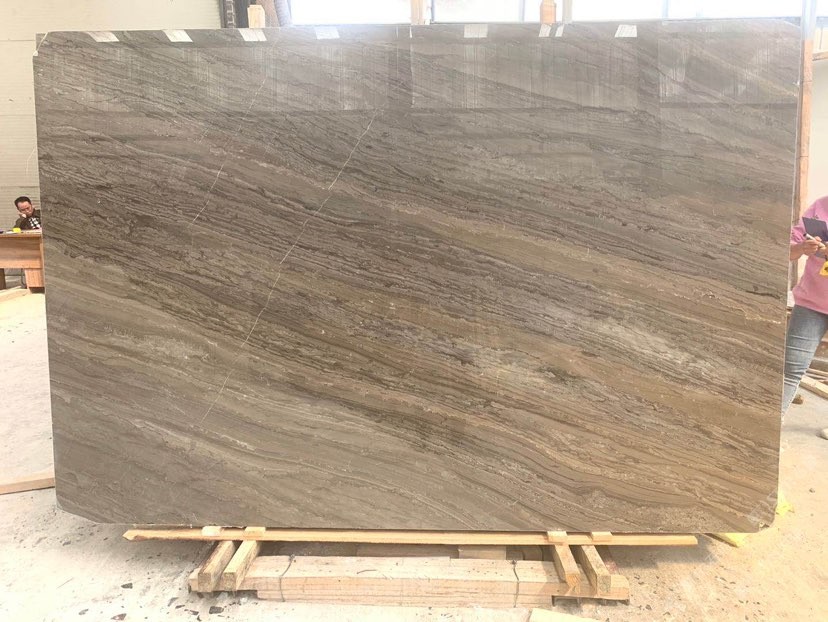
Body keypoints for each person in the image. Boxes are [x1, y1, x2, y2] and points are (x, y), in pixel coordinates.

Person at [784, 196, 828, 439]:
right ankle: (770, 426)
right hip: (811, 303)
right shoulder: (821, 206)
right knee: (790, 368)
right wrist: (803, 248)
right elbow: (788, 250)